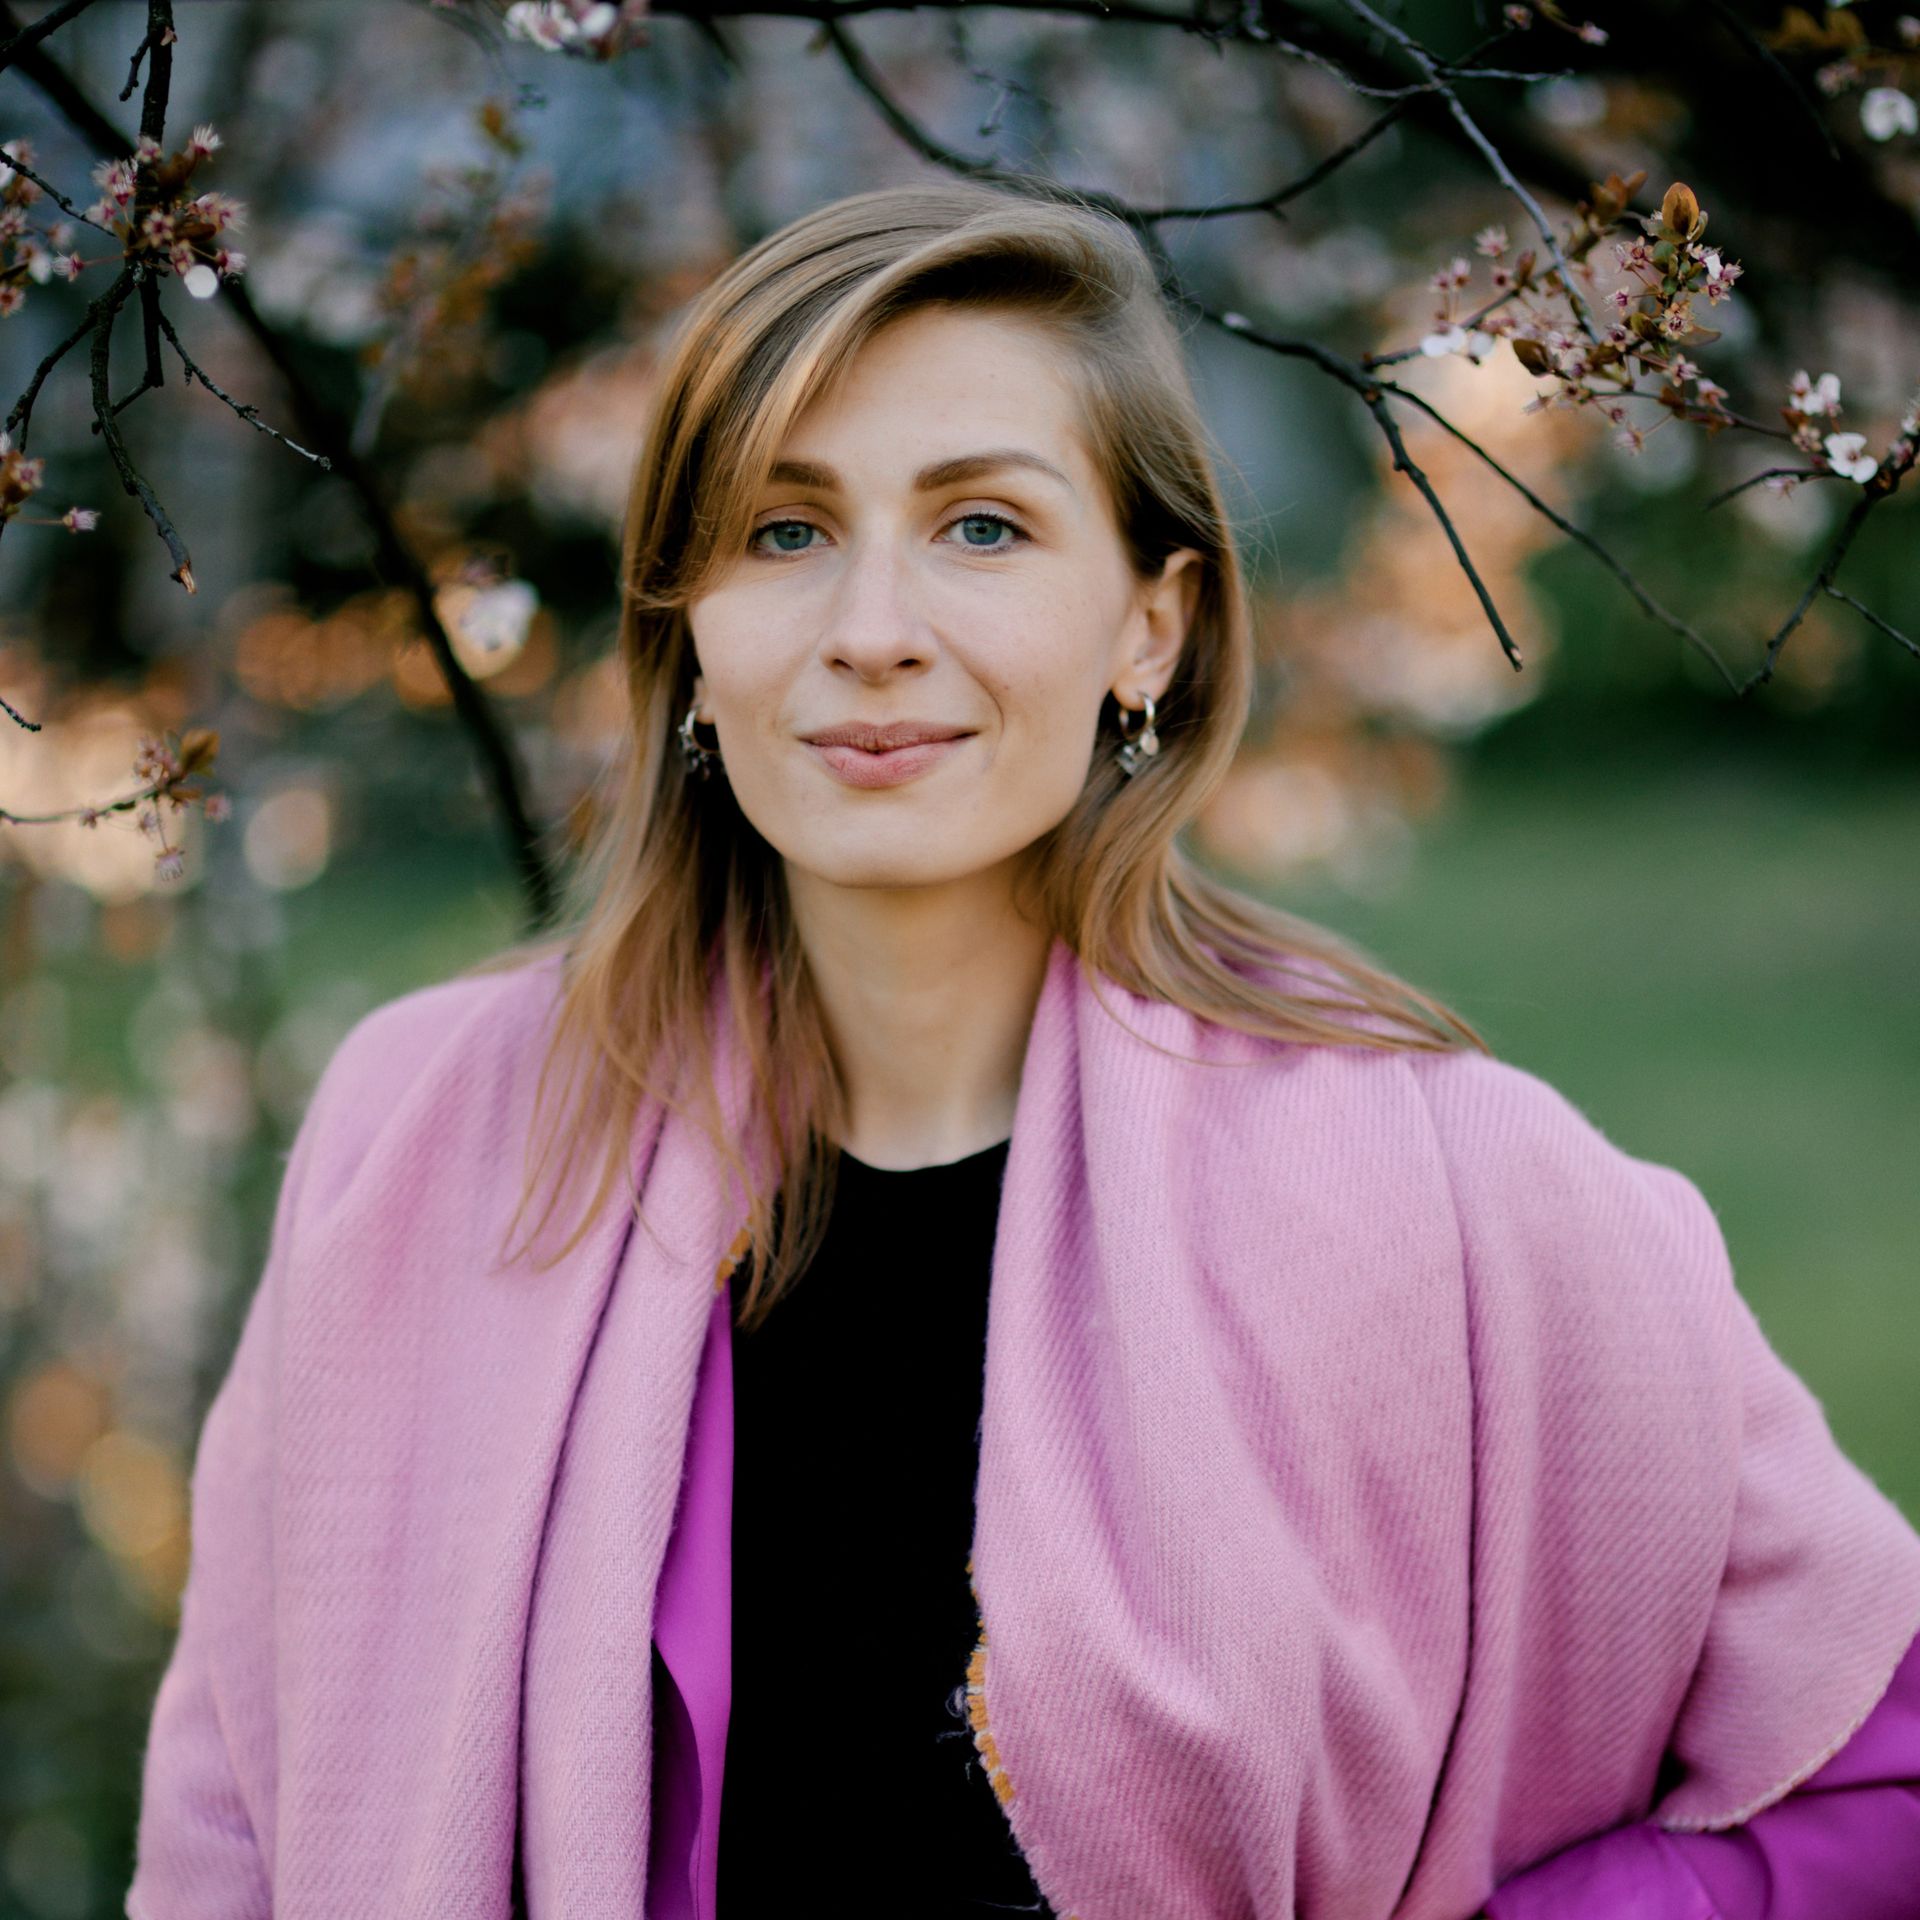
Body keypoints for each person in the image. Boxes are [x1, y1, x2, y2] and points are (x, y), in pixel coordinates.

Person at [127, 180, 1920, 1920]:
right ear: (686, 623)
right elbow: (228, 1845)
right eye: (784, 531)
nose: (872, 635)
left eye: (982, 528)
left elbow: (1882, 1786)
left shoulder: (1458, 1188)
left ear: (1154, 622)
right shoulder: (429, 1137)